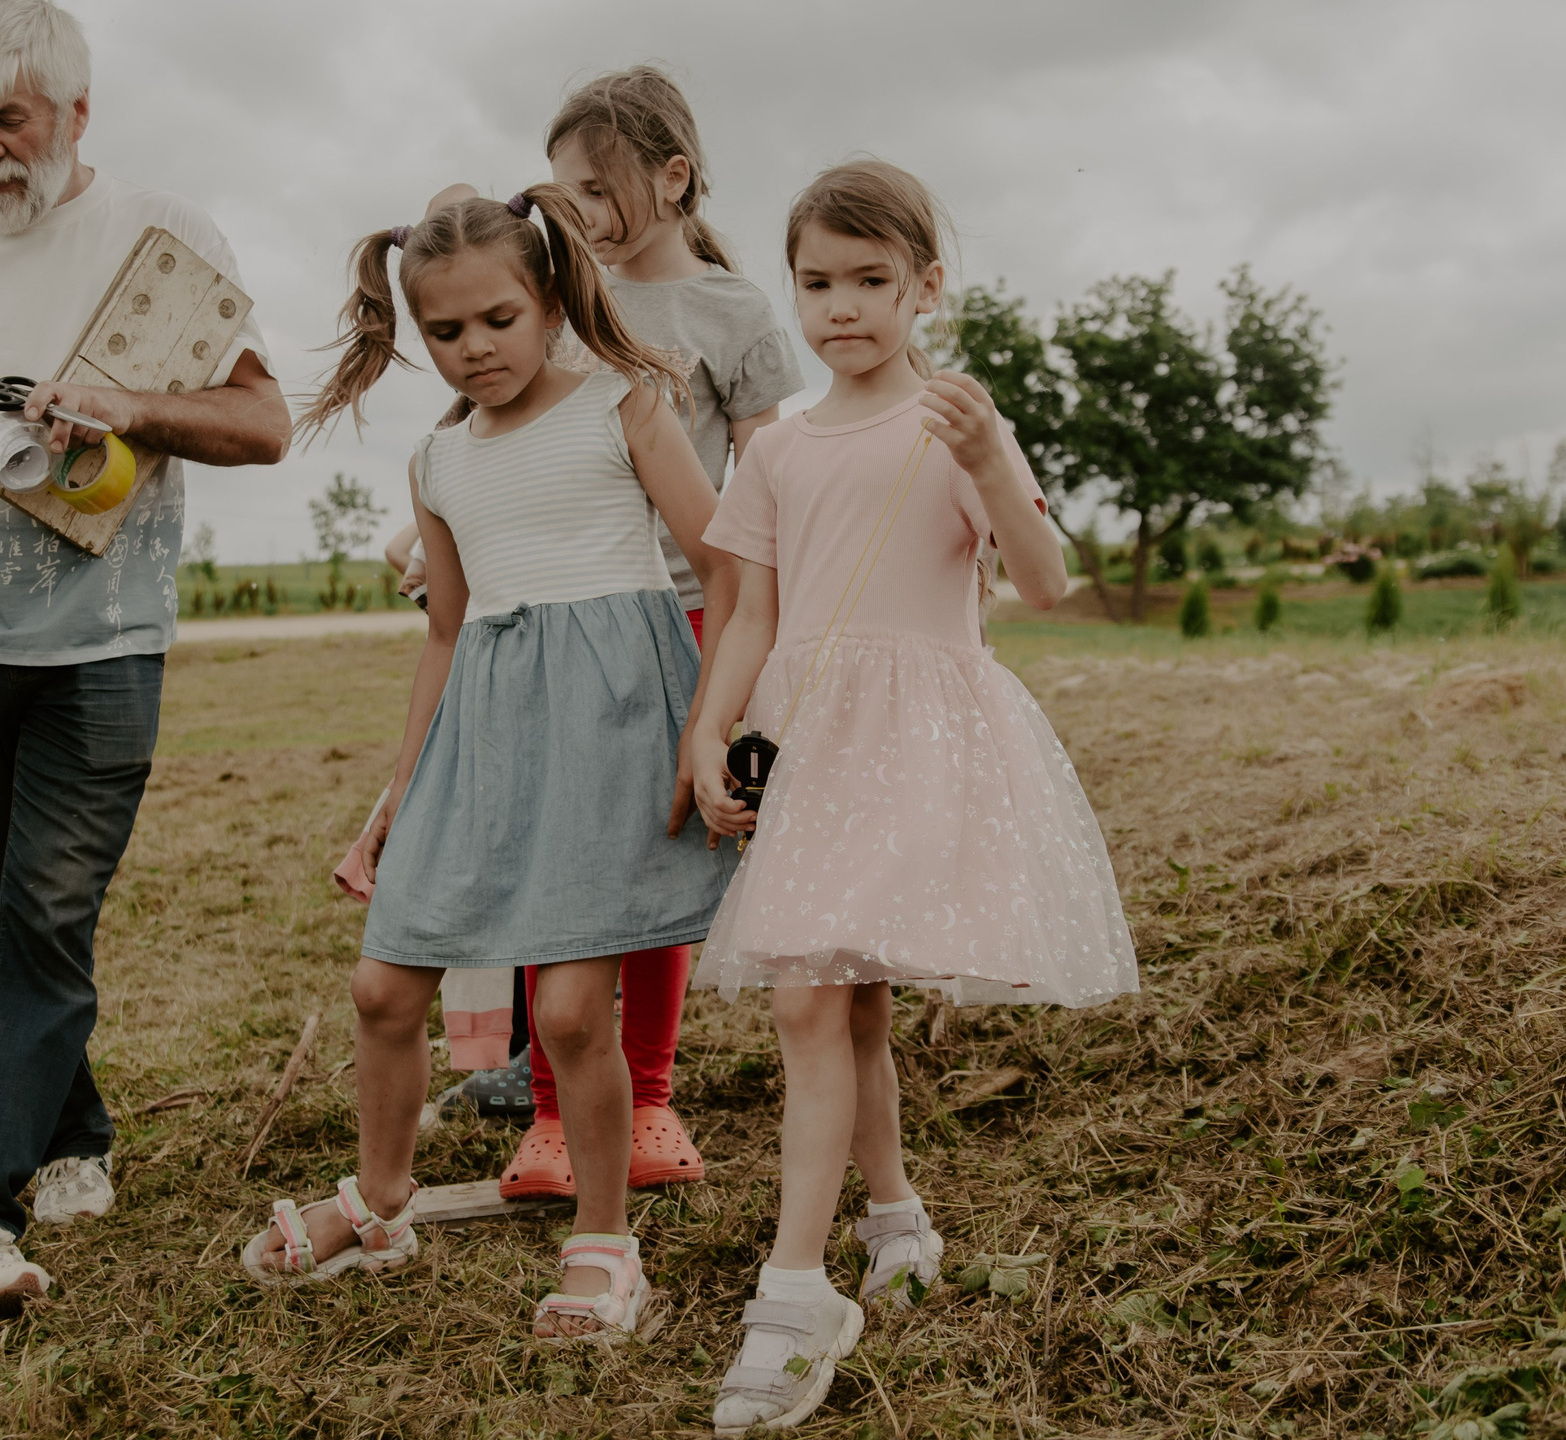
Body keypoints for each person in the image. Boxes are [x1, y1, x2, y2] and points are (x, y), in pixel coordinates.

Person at [0, 0, 290, 1320]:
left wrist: (138, 408)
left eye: (9, 119)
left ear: (79, 115)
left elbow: (266, 420)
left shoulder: (165, 236)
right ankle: (71, 1131)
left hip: (105, 646)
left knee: (43, 917)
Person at [685, 161, 1139, 1433]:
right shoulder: (771, 446)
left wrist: (992, 456)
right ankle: (894, 1217)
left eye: (870, 281)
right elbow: (753, 612)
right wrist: (717, 720)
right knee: (843, 1001)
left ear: (925, 286)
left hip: (919, 741)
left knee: (812, 998)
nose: (841, 307)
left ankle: (792, 1294)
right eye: (817, 283)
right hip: (810, 741)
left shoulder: (950, 426)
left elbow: (1044, 582)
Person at [242, 186, 735, 1343]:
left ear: (552, 299)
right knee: (381, 987)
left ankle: (605, 1244)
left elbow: (727, 570)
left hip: (610, 729)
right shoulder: (438, 462)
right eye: (447, 332)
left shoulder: (624, 406)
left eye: (499, 320)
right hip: (482, 738)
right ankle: (380, 1202)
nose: (475, 349)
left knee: (568, 1014)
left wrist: (709, 724)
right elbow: (448, 632)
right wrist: (396, 797)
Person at [476, 64, 807, 1199]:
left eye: (593, 188)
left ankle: (651, 1097)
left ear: (672, 178)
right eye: (557, 190)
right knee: (552, 855)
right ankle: (555, 1112)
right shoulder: (558, 305)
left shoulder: (732, 311)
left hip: (686, 616)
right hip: (565, 611)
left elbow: (767, 472)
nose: (571, 213)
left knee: (661, 858)